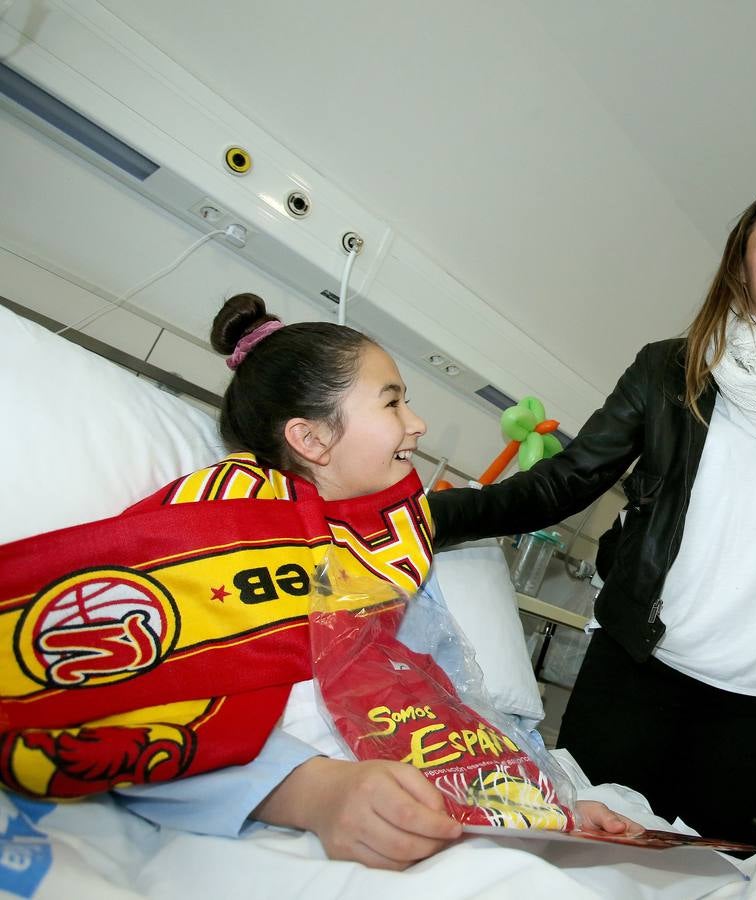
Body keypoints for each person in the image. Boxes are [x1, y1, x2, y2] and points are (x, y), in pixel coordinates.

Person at [0, 293, 638, 870]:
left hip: (456, 805)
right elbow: (147, 705)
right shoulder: (219, 525)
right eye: (393, 401)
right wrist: (310, 793)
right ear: (309, 438)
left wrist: (552, 801)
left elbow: (457, 711)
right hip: (308, 817)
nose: (416, 424)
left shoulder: (393, 548)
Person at [431, 189, 756, 844]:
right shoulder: (667, 371)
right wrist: (428, 515)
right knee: (581, 862)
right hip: (636, 677)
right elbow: (567, 479)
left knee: (697, 881)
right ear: (739, 265)